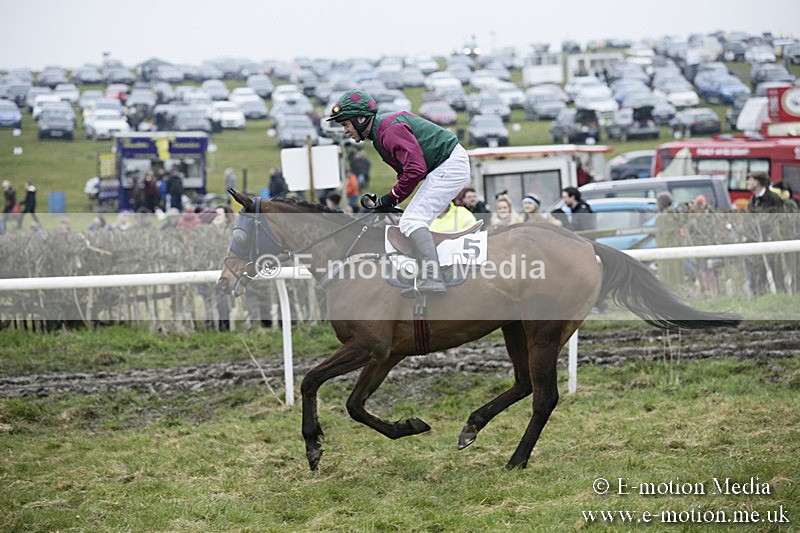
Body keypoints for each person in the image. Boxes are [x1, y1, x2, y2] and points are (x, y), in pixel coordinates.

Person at [327, 89, 471, 295]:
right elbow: (406, 174)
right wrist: (388, 200)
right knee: (409, 221)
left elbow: (415, 170)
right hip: (444, 166)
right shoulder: (379, 135)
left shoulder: (388, 130)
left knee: (412, 221)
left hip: (449, 164)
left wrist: (391, 197)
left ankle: (434, 278)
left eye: (345, 124)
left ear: (360, 119)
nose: (345, 131)